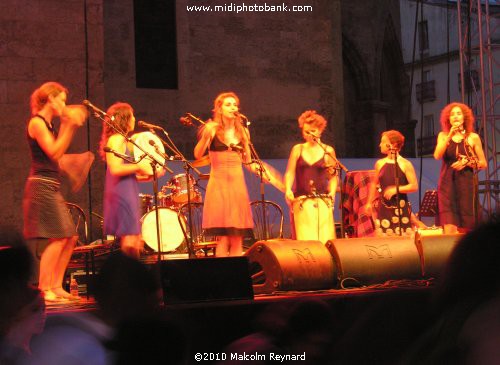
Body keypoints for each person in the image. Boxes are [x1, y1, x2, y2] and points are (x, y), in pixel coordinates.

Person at [23, 82, 86, 302]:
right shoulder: (37, 123)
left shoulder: (49, 125)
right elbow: (53, 152)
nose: (64, 105)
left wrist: (76, 163)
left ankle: (56, 285)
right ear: (50, 98)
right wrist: (70, 125)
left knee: (70, 237)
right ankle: (44, 287)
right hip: (41, 185)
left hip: (51, 184)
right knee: (59, 237)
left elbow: (58, 156)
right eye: (62, 99)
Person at [194, 92, 253, 256]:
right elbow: (198, 154)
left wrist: (267, 175)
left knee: (237, 238)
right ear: (219, 109)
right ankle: (222, 276)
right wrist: (206, 135)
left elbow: (248, 161)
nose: (233, 107)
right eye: (228, 104)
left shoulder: (243, 132)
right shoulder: (212, 130)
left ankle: (237, 277)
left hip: (237, 186)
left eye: (234, 104)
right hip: (219, 186)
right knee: (223, 237)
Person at [99, 102, 153, 259]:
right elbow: (115, 169)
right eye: (132, 115)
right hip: (121, 193)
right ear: (125, 118)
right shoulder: (116, 139)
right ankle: (129, 278)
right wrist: (138, 166)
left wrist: (143, 176)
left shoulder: (122, 140)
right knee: (129, 240)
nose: (135, 119)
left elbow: (124, 171)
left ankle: (132, 278)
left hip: (126, 189)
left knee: (134, 240)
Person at [284, 110, 338, 241]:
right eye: (306, 131)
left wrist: (332, 193)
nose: (309, 134)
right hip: (301, 198)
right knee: (305, 239)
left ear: (320, 131)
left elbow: (333, 176)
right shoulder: (298, 149)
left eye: (313, 131)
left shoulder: (328, 151)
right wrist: (287, 189)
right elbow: (290, 172)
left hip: (322, 199)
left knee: (325, 238)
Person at [433, 102, 487, 234]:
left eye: (458, 113)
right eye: (452, 114)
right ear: (448, 119)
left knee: (466, 225)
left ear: (464, 118)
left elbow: (483, 163)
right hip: (447, 184)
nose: (455, 116)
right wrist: (450, 135)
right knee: (449, 223)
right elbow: (437, 155)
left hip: (466, 184)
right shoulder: (443, 136)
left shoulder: (472, 137)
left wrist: (467, 162)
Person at [365, 130, 418, 236]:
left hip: (400, 208)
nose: (380, 145)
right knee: (385, 236)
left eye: (382, 142)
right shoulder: (380, 163)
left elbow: (414, 186)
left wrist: (396, 189)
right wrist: (369, 203)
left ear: (392, 145)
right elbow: (374, 184)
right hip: (384, 207)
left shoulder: (405, 164)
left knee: (402, 236)